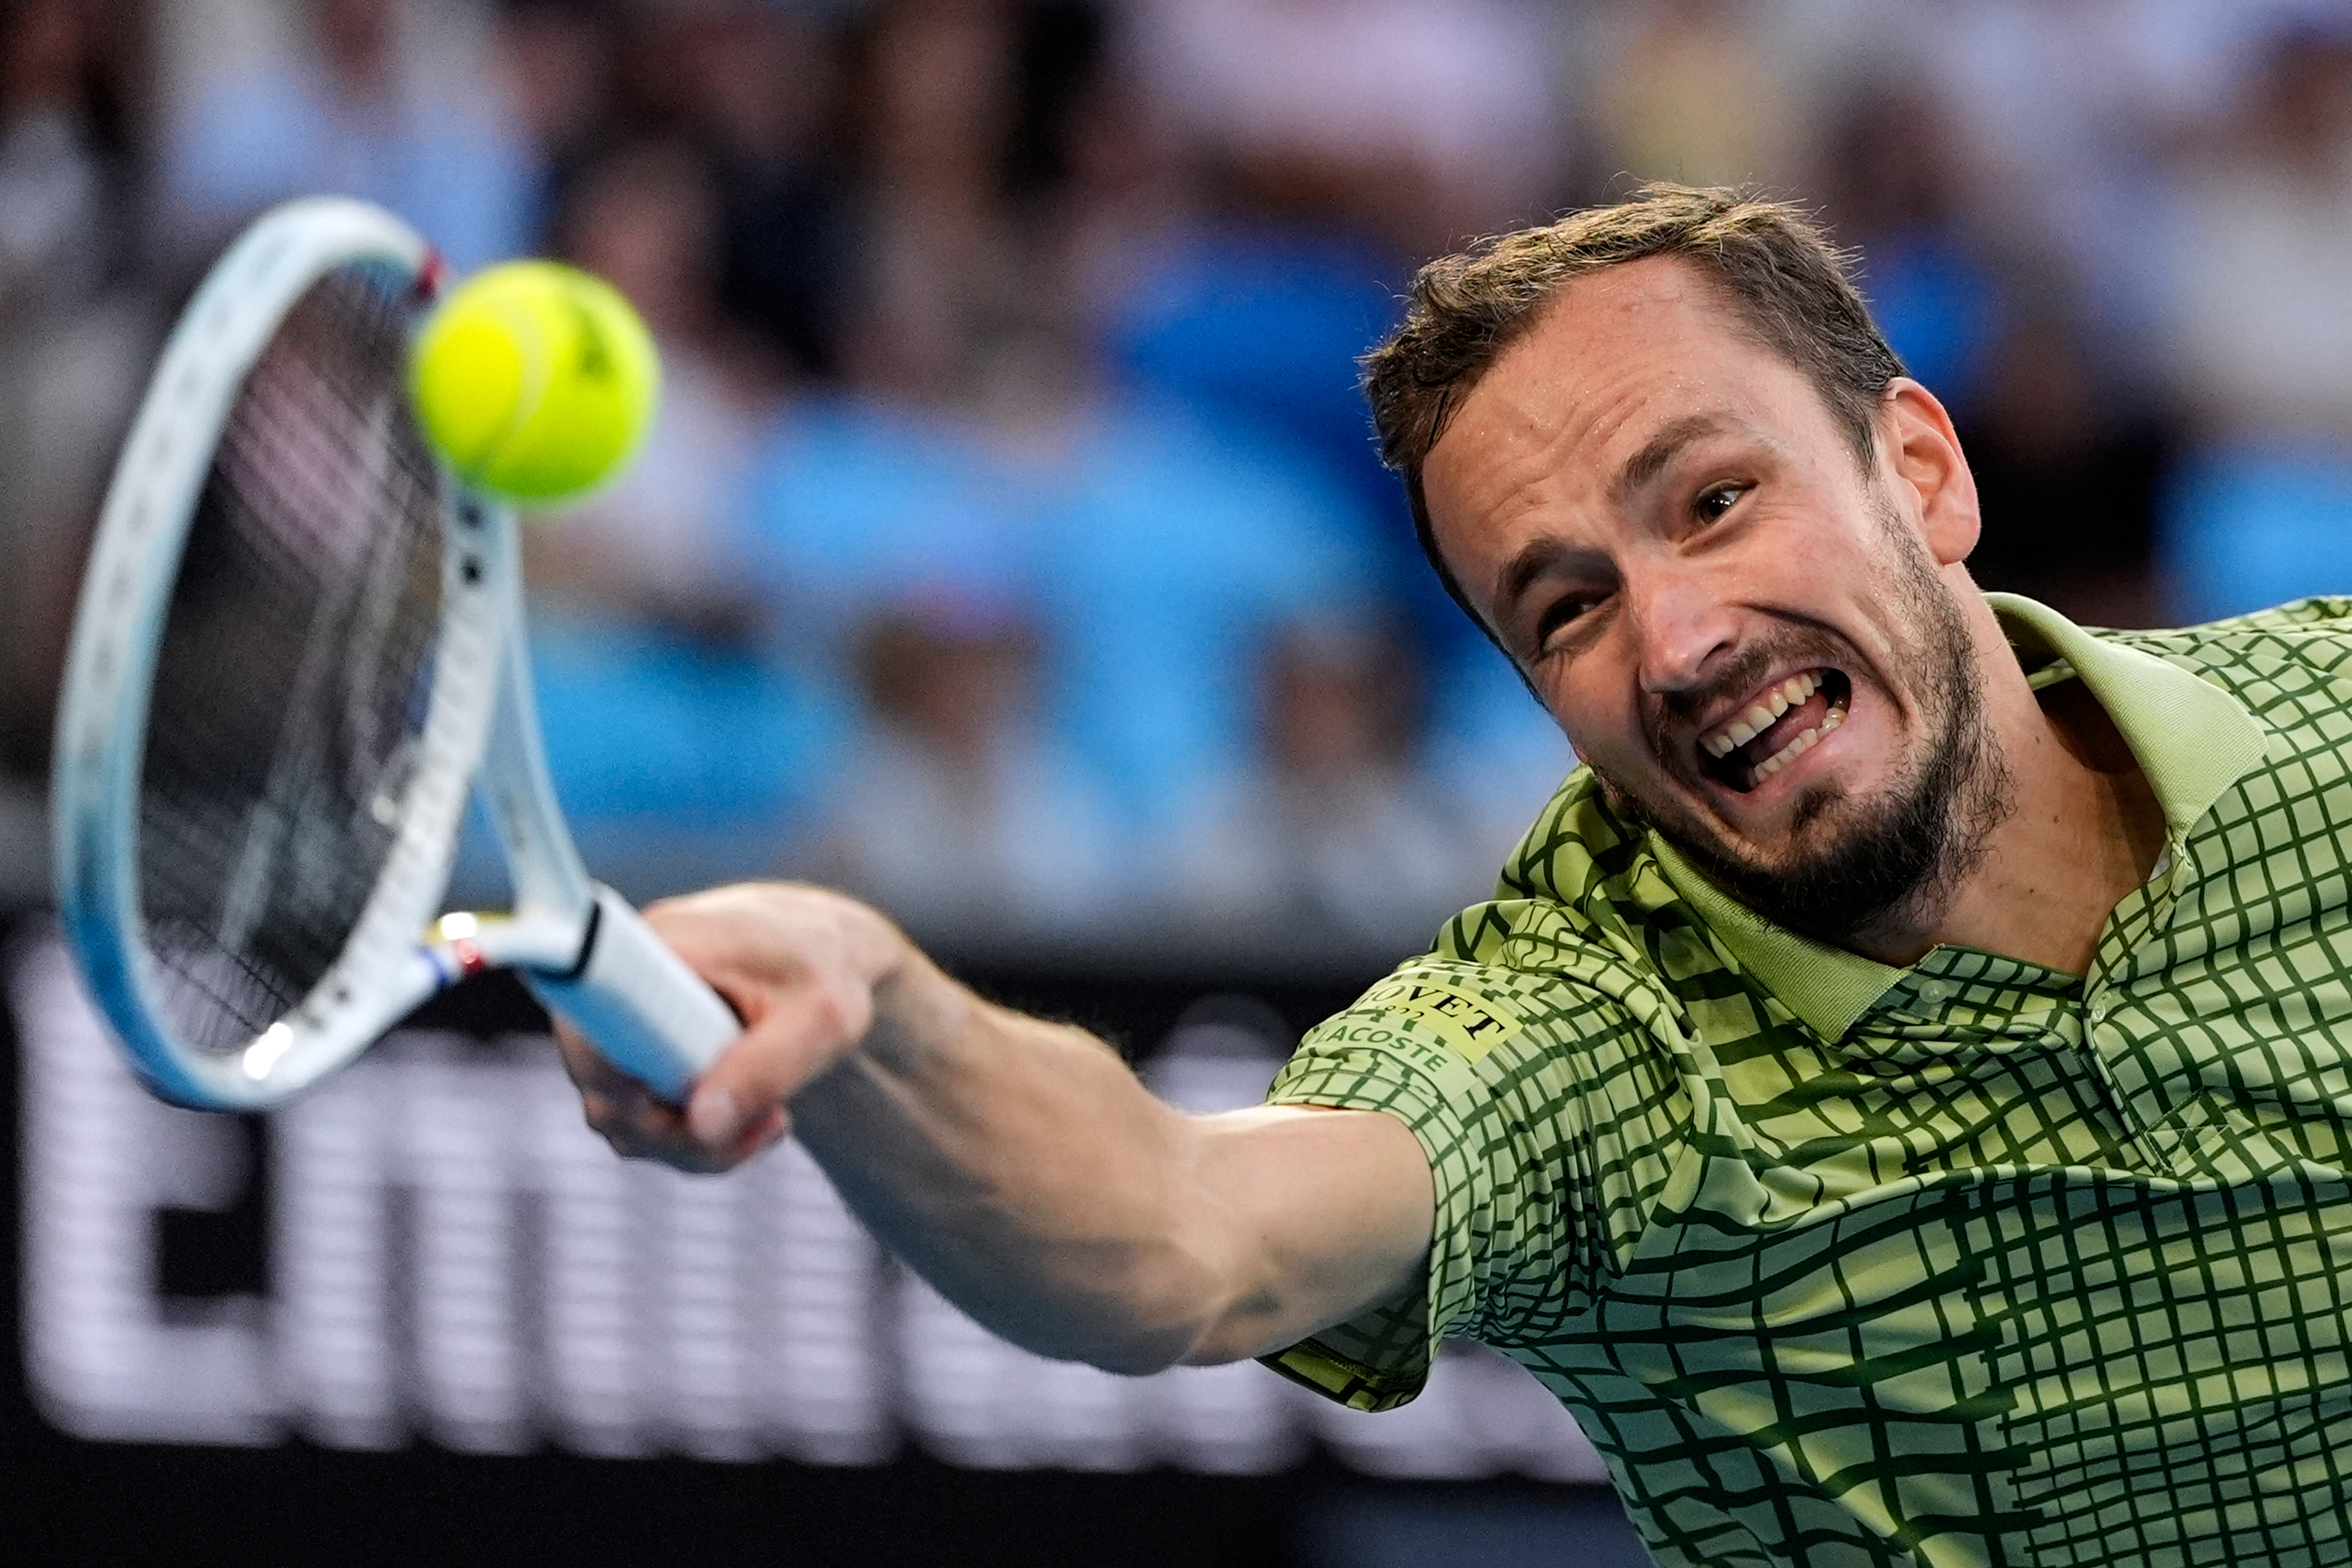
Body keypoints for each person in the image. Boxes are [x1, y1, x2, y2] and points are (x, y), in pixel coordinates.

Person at [555, 185, 2352, 1566]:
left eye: (1715, 499)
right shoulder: (1581, 1037)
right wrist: (880, 1009)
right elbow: (1181, 1234)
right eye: (1565, 606)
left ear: (1924, 471)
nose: (1681, 638)